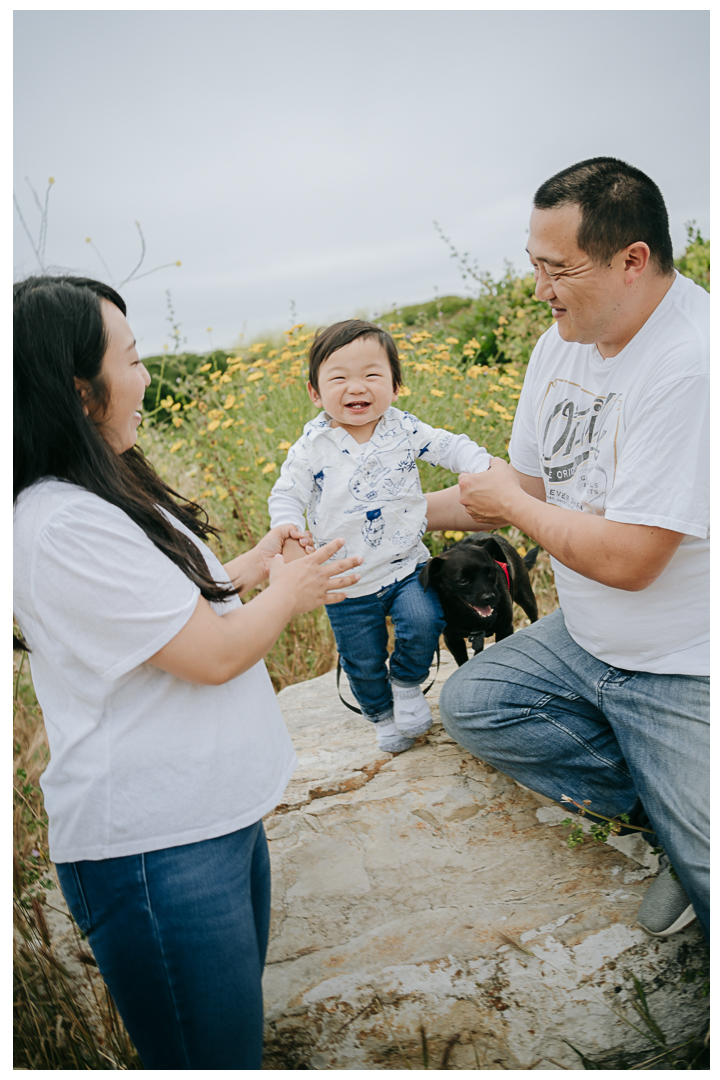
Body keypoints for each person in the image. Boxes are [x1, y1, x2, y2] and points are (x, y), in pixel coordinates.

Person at [13, 275, 362, 1069]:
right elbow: (212, 654)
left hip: (213, 821)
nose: (144, 375)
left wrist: (247, 567)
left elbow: (167, 613)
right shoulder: (59, 522)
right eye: (130, 359)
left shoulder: (104, 487)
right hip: (155, 852)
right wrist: (291, 592)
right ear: (79, 391)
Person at [435, 158, 709, 942]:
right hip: (586, 637)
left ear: (634, 260)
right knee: (475, 704)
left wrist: (514, 506)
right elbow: (522, 482)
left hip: (687, 660)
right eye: (534, 264)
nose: (540, 287)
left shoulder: (692, 361)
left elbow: (629, 560)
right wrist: (386, 510)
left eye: (560, 269)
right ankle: (671, 818)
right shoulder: (563, 342)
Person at [268, 319, 491, 752]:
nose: (357, 387)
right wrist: (286, 525)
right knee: (363, 660)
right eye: (339, 378)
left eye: (372, 375)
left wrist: (478, 463)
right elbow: (286, 494)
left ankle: (407, 684)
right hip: (346, 579)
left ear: (394, 384)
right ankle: (381, 715)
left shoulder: (402, 428)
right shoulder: (312, 446)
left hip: (407, 563)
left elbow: (447, 446)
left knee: (426, 621)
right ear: (315, 392)